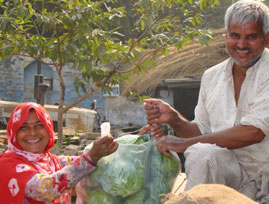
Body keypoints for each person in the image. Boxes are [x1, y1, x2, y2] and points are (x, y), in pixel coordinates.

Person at [144, 0, 269, 203]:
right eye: (235, 36)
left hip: (266, 179)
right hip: (232, 177)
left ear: (267, 39)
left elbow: (254, 132)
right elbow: (202, 133)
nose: (241, 45)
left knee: (196, 147)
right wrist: (175, 119)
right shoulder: (212, 76)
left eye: (252, 37)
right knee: (201, 153)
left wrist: (185, 143)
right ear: (226, 36)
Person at [0, 102, 118, 203]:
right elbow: (48, 189)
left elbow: (75, 161)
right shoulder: (7, 165)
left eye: (39, 125)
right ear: (13, 133)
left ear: (49, 130)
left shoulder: (49, 160)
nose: (32, 133)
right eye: (23, 127)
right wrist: (92, 156)